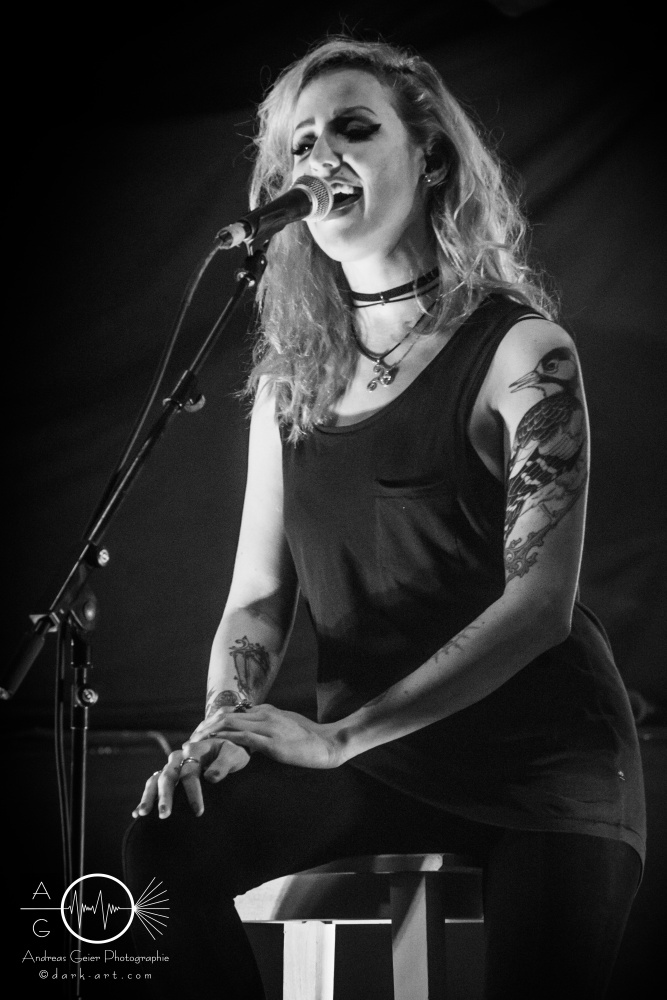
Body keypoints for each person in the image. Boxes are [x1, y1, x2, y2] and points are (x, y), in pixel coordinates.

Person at [123, 37, 645, 999]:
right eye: (300, 144)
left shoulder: (524, 351)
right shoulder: (289, 385)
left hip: (539, 768)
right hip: (372, 763)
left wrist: (338, 736)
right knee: (166, 836)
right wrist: (225, 726)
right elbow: (258, 597)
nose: (319, 158)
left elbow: (539, 608)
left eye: (353, 130)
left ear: (430, 157)